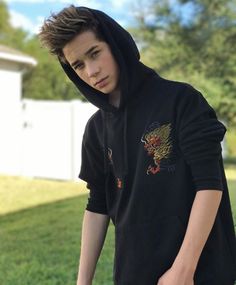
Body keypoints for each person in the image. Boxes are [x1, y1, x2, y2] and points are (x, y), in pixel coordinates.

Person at [39, 5, 236, 285]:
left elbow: (209, 184)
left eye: (95, 53)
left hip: (199, 272)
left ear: (116, 44)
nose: (92, 71)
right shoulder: (96, 129)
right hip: (134, 273)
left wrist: (183, 269)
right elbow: (98, 204)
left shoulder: (181, 100)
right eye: (78, 65)